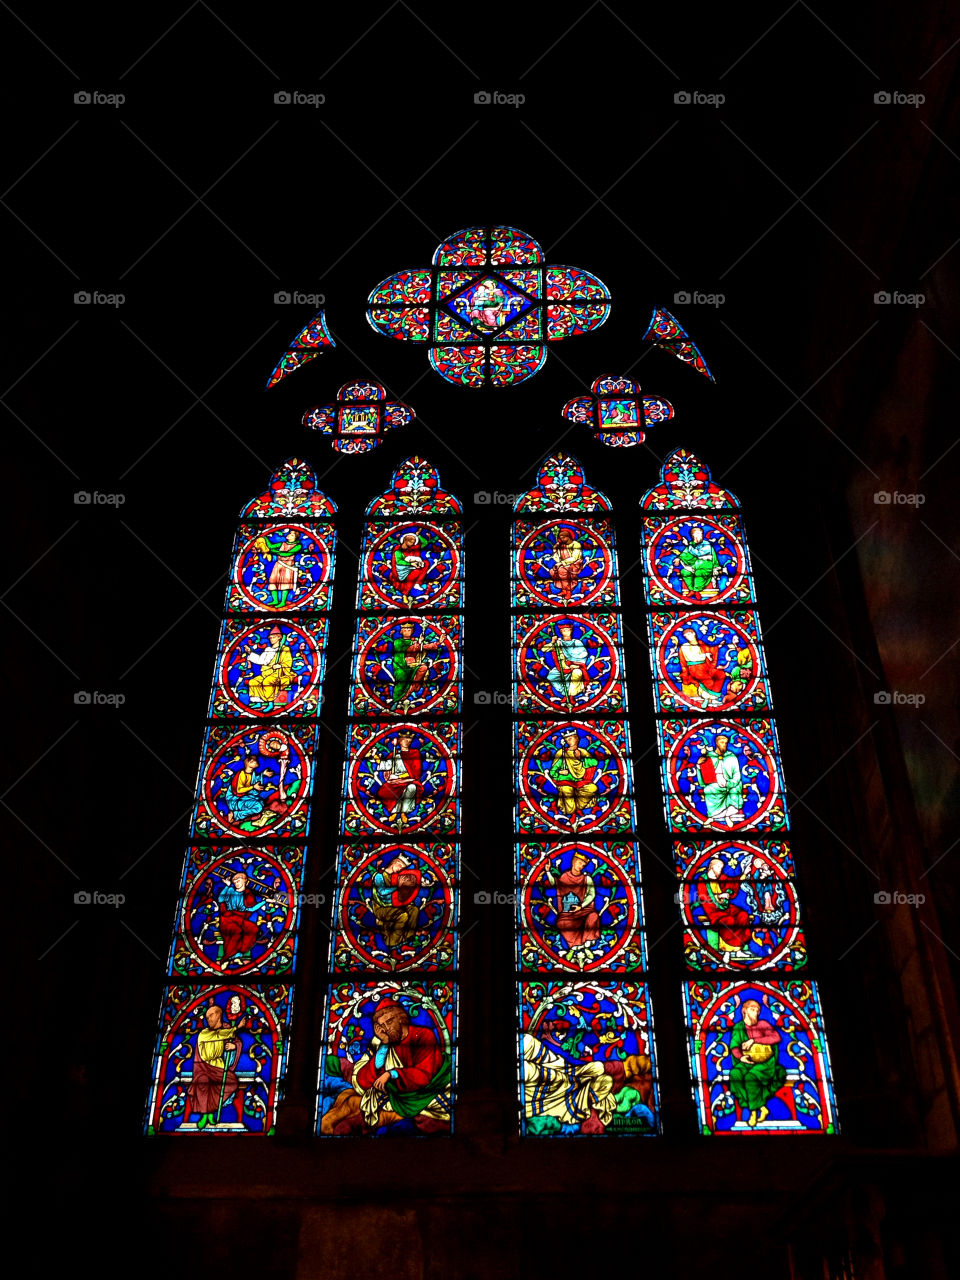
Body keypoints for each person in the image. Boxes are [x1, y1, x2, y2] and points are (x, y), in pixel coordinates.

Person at [322, 999, 452, 1134]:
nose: (387, 1028)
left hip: (425, 1092)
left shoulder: (424, 1036)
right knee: (352, 1101)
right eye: (382, 1025)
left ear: (401, 1018)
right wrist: (384, 1044)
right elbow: (364, 1080)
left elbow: (423, 1075)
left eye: (389, 1021)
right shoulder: (385, 1042)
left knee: (358, 1107)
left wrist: (391, 1074)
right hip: (395, 1094)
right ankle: (327, 1125)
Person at [521, 1032, 617, 1133]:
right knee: (529, 1043)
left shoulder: (579, 1110)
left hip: (562, 1092)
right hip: (568, 1074)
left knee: (548, 1076)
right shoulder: (593, 1072)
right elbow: (595, 1069)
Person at [729, 998, 787, 1127]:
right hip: (746, 1061)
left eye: (758, 1010)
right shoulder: (739, 1027)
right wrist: (740, 1057)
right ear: (744, 1011)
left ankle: (753, 1112)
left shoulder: (763, 1024)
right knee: (735, 1075)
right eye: (753, 1009)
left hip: (765, 1062)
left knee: (751, 1078)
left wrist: (754, 1040)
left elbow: (776, 1037)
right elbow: (734, 1046)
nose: (756, 1013)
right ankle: (761, 1107)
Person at [185, 1003, 242, 1130]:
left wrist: (234, 1047)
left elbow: (236, 1042)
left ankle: (211, 1110)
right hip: (203, 1068)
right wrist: (237, 1027)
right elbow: (219, 1035)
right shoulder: (204, 1033)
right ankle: (206, 1115)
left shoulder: (226, 1029)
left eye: (211, 1015)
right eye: (206, 1017)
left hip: (220, 1067)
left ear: (218, 1016)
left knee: (230, 1082)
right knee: (203, 1082)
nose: (208, 1019)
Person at [694, 858, 754, 962]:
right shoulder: (702, 880)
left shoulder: (721, 877)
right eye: (718, 867)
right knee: (728, 921)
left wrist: (744, 874)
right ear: (711, 867)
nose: (720, 870)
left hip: (725, 907)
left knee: (743, 915)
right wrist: (720, 896)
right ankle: (727, 952)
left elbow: (732, 882)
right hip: (713, 911)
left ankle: (738, 950)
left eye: (721, 868)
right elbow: (703, 898)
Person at [542, 851, 601, 950]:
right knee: (561, 923)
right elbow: (556, 884)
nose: (581, 866)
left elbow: (591, 894)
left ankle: (587, 940)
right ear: (573, 862)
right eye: (579, 863)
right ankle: (575, 944)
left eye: (583, 865)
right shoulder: (564, 876)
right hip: (568, 913)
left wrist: (581, 906)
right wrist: (547, 872)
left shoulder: (587, 879)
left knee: (593, 916)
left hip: (583, 910)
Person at [378, 621, 441, 709]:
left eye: (409, 629)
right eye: (405, 630)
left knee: (424, 668)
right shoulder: (398, 642)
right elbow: (410, 649)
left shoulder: (414, 641)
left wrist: (438, 643)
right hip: (401, 666)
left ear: (412, 631)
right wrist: (419, 643)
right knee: (401, 683)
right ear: (401, 631)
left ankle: (412, 688)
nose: (407, 631)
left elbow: (424, 646)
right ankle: (398, 699)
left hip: (414, 665)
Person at [369, 852, 422, 946]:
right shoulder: (379, 876)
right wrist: (398, 887)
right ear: (395, 862)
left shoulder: (395, 877)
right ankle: (392, 942)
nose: (400, 870)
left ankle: (408, 938)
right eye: (400, 867)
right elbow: (382, 891)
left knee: (414, 910)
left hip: (395, 905)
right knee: (403, 915)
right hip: (381, 908)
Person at [548, 728, 600, 821]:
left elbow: (594, 762)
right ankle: (572, 810)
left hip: (581, 782)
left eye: (571, 738)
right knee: (568, 799)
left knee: (593, 788)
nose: (569, 741)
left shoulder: (582, 752)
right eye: (567, 739)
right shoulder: (562, 753)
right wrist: (560, 772)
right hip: (565, 782)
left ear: (577, 739)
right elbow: (552, 772)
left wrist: (581, 759)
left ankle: (577, 807)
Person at [376, 732, 424, 832]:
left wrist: (399, 776)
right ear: (399, 741)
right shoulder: (395, 754)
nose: (408, 741)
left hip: (409, 780)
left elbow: (416, 772)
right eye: (405, 739)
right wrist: (376, 757)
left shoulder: (415, 754)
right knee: (384, 791)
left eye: (409, 739)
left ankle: (403, 812)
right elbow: (386, 766)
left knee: (412, 788)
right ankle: (394, 812)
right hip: (394, 781)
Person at [697, 733, 744, 826]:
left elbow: (737, 775)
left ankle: (728, 816)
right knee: (708, 789)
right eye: (722, 742)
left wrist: (729, 783)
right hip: (714, 782)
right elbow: (703, 776)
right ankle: (712, 817)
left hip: (729, 782)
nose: (724, 745)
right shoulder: (709, 756)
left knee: (734, 791)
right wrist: (699, 765)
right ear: (716, 743)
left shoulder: (732, 756)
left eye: (726, 743)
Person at [244, 626, 295, 710]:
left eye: (273, 637)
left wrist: (280, 665)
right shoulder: (268, 649)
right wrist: (250, 652)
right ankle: (258, 702)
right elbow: (260, 660)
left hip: (279, 675)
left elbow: (288, 662)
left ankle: (270, 703)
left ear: (279, 637)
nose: (271, 639)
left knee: (267, 681)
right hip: (266, 674)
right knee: (253, 682)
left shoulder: (284, 649)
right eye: (270, 637)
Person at [541, 622, 591, 704]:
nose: (566, 632)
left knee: (577, 673)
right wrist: (552, 642)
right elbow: (544, 650)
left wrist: (574, 664)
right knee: (551, 676)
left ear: (571, 631)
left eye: (568, 630)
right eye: (563, 630)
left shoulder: (577, 642)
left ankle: (571, 695)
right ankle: (565, 693)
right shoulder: (558, 643)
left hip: (576, 666)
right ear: (561, 632)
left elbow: (583, 654)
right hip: (561, 667)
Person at [676, 627, 727, 707]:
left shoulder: (700, 643)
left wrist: (718, 646)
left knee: (720, 674)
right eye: (686, 636)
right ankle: (706, 699)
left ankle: (714, 696)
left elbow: (709, 650)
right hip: (695, 668)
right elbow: (692, 658)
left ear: (694, 633)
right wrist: (705, 655)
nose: (687, 637)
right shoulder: (684, 646)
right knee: (708, 681)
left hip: (706, 666)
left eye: (689, 634)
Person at [216, 871, 261, 961]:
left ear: (245, 881)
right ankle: (229, 955)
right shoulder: (231, 890)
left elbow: (251, 909)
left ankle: (240, 952)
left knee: (253, 928)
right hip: (228, 918)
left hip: (240, 918)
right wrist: (227, 886)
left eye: (238, 881)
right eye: (235, 882)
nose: (236, 883)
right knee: (236, 930)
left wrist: (265, 901)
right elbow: (220, 899)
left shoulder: (247, 894)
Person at [252, 529, 302, 607]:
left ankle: (282, 602)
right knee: (273, 581)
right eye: (289, 533)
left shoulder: (298, 546)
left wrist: (275, 551)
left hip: (288, 566)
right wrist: (265, 538)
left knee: (285, 583)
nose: (289, 535)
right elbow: (271, 546)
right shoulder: (282, 543)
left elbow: (287, 554)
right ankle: (275, 600)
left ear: (295, 537)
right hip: (278, 564)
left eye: (292, 534)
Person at [675, 525, 720, 599]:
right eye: (698, 534)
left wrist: (688, 545)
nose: (701, 535)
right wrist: (679, 558)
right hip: (695, 566)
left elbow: (698, 553)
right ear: (693, 535)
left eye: (701, 534)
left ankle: (696, 591)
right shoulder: (691, 544)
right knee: (684, 572)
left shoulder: (706, 544)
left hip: (706, 565)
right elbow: (685, 553)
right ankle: (692, 590)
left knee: (698, 573)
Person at [390, 531, 431, 606]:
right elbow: (398, 561)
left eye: (414, 542)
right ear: (406, 541)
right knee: (416, 572)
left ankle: (418, 583)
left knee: (426, 563)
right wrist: (411, 564)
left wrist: (419, 535)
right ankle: (405, 594)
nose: (413, 544)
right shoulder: (398, 550)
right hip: (402, 570)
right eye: (411, 542)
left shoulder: (414, 548)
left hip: (412, 567)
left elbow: (425, 543)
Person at [547, 528, 583, 600]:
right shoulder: (562, 546)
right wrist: (555, 550)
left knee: (562, 571)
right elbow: (557, 559)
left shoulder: (576, 544)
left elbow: (574, 558)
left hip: (575, 564)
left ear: (568, 536)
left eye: (563, 537)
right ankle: (563, 590)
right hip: (563, 564)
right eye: (561, 538)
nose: (562, 539)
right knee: (552, 571)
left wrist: (561, 564)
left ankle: (568, 591)